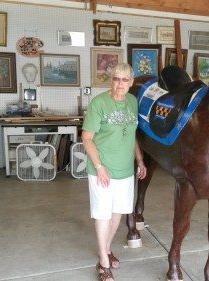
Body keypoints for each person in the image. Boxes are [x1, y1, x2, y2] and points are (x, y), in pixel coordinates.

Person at [82, 63, 146, 281]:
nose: (120, 84)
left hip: (125, 170)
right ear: (111, 80)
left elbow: (132, 134)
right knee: (102, 214)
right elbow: (87, 138)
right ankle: (104, 262)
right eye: (116, 79)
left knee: (117, 213)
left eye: (124, 80)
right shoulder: (99, 103)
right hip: (102, 169)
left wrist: (140, 160)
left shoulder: (132, 101)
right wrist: (99, 167)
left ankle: (106, 249)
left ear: (131, 81)